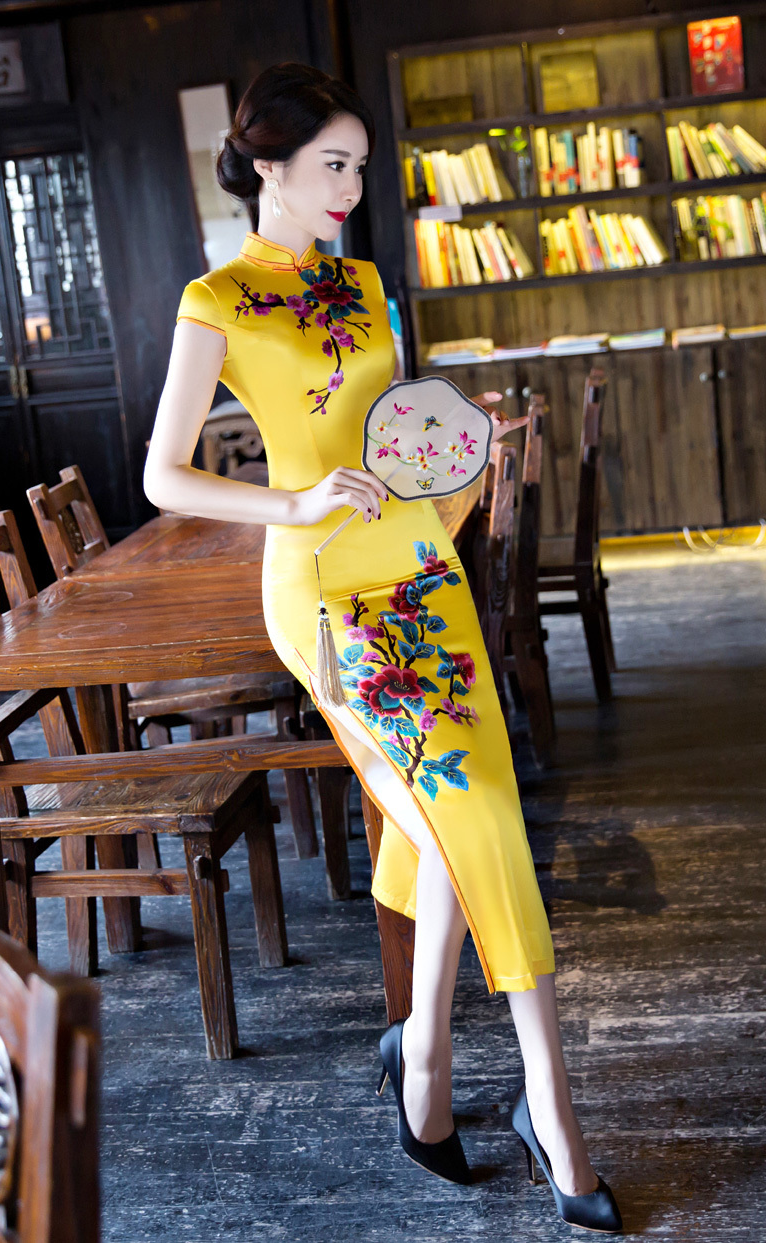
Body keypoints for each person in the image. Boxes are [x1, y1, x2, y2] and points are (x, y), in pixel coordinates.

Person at [144, 62, 622, 1234]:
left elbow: (388, 431)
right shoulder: (217, 300)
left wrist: (457, 454)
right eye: (331, 166)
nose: (352, 188)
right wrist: (292, 504)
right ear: (268, 167)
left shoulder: (361, 284)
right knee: (469, 815)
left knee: (461, 812)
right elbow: (162, 474)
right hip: (323, 594)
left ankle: (425, 1062)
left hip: (419, 570)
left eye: (358, 166)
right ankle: (537, 1099)